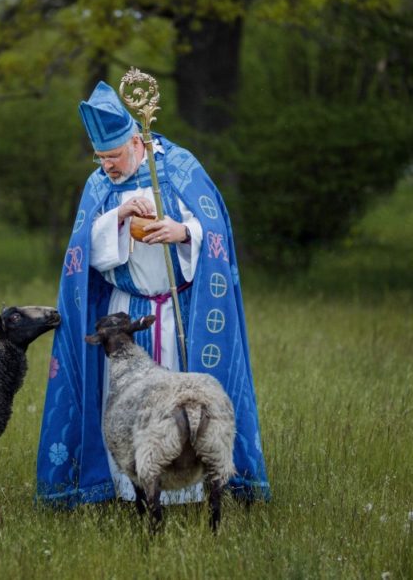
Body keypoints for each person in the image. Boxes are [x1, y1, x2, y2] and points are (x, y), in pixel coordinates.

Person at [36, 80, 270, 507]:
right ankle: (129, 490)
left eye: (113, 156)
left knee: (183, 406)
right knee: (128, 409)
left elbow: (215, 230)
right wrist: (119, 217)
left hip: (176, 311)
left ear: (135, 141)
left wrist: (183, 233)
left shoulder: (179, 168)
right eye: (100, 157)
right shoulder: (99, 184)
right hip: (126, 313)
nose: (106, 166)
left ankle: (191, 490)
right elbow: (81, 249)